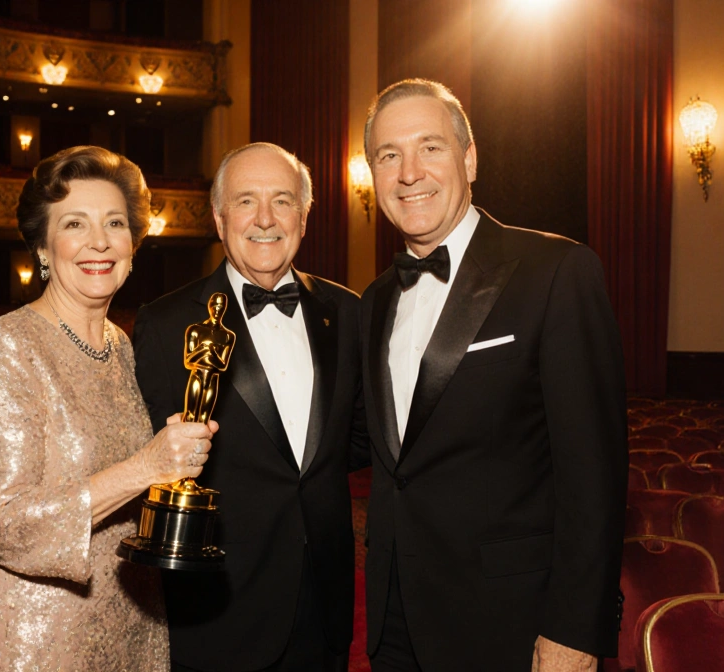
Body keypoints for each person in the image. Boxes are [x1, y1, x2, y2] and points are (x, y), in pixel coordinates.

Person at [359, 79, 627, 671]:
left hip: (512, 623)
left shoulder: (557, 272)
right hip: (394, 621)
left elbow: (595, 476)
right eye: (388, 155)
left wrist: (575, 632)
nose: (409, 172)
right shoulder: (376, 299)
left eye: (430, 147)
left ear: (470, 158)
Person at [0, 146, 217, 671]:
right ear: (43, 246)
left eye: (115, 223)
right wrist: (148, 466)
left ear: (134, 244)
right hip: (32, 640)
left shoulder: (121, 347)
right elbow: (0, 522)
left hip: (129, 623)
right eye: (75, 223)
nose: (99, 241)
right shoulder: (4, 344)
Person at [133, 142, 369, 672]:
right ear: (219, 218)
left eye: (282, 201)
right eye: (245, 201)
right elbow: (146, 463)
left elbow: (353, 442)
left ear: (304, 218)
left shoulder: (348, 313)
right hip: (219, 612)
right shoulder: (165, 324)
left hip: (325, 605)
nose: (265, 219)